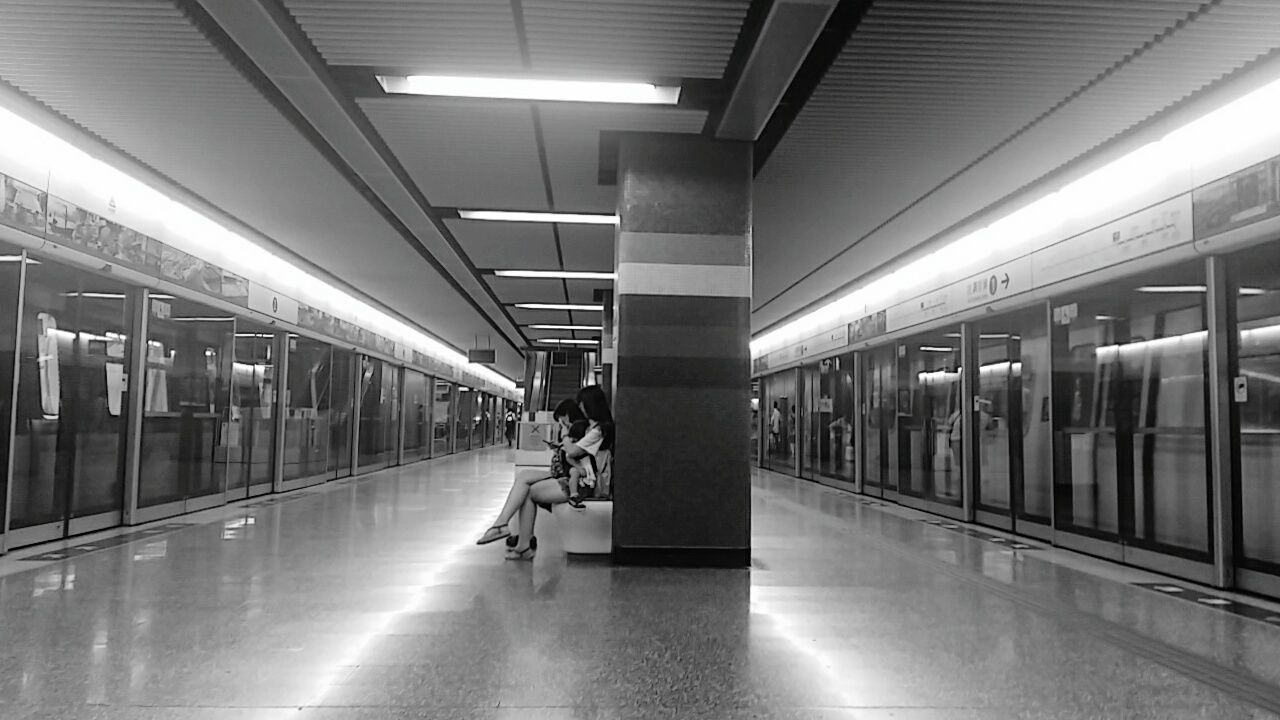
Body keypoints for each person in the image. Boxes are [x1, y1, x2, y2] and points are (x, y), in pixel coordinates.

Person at [477, 385, 614, 560]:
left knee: (527, 491)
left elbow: (573, 452)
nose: (581, 408)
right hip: (577, 476)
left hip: (585, 483)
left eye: (582, 404)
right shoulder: (591, 427)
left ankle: (515, 538)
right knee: (524, 476)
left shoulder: (599, 430)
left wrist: (565, 434)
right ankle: (506, 528)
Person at [562, 419, 596, 508]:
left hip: (586, 467)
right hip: (575, 467)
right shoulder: (574, 445)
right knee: (574, 472)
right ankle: (573, 495)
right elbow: (568, 456)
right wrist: (578, 467)